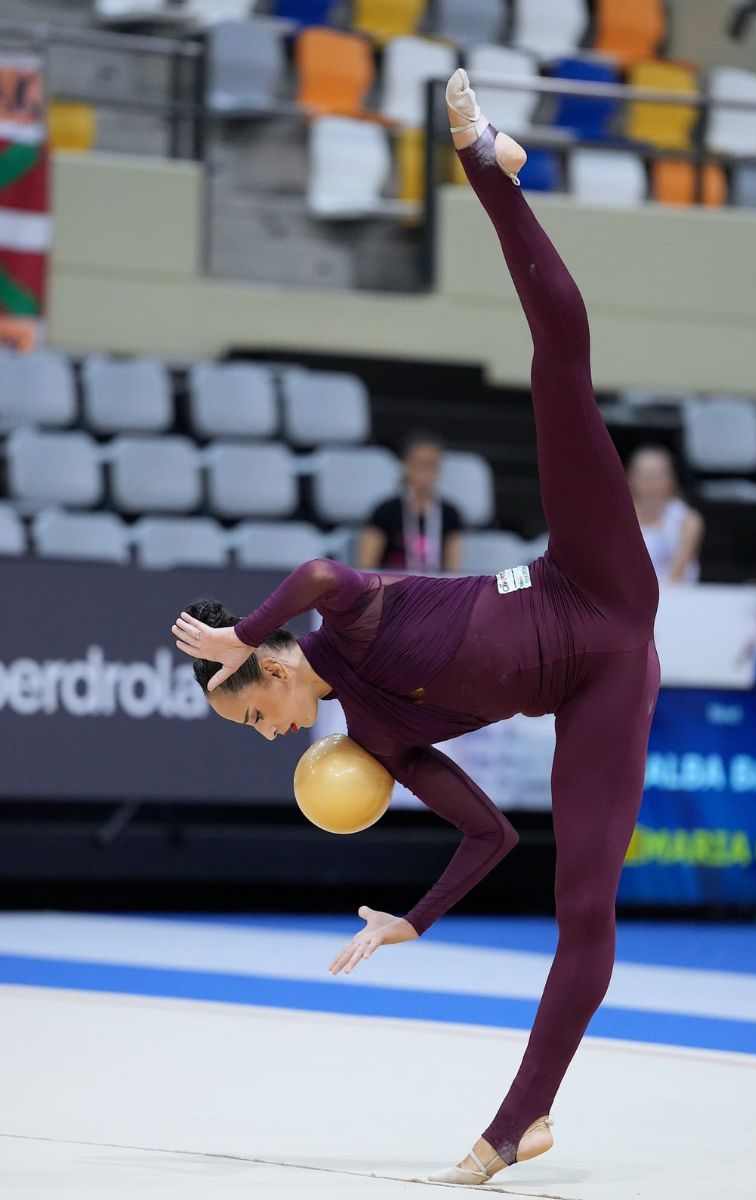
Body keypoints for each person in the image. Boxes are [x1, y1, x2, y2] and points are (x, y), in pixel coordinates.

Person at [171, 70, 659, 1188]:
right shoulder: (378, 742)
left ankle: (489, 170)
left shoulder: (346, 621)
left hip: (591, 579)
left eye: (253, 709)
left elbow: (321, 566)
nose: (265, 731)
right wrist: (416, 920)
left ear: (271, 668)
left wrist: (246, 627)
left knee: (559, 372)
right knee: (584, 908)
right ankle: (516, 1126)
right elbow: (486, 835)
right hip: (604, 686)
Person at [356, 431, 463, 573]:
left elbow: (454, 571)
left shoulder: (450, 514)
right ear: (405, 465)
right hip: (393, 590)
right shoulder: (385, 512)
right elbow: (366, 568)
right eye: (420, 464)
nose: (426, 472)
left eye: (432, 465)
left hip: (436, 591)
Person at [627, 445, 704, 583]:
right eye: (644, 476)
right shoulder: (620, 521)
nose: (651, 483)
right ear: (630, 479)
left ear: (671, 479)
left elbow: (677, 575)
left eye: (657, 476)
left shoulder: (688, 520)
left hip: (675, 596)